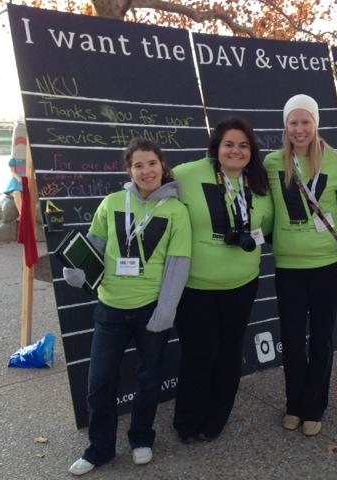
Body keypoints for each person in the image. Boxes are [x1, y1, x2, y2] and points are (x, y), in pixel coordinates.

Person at [63, 138, 191, 475]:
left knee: (148, 379)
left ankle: (141, 438)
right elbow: (94, 246)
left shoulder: (177, 211)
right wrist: (78, 272)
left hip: (151, 309)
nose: (146, 171)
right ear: (129, 170)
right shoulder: (111, 203)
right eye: (138, 165)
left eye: (151, 163)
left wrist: (166, 312)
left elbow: (178, 265)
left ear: (162, 166)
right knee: (99, 382)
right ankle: (99, 449)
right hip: (110, 309)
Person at [172, 117, 273, 442]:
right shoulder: (186, 174)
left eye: (244, 145)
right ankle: (187, 419)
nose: (236, 151)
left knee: (230, 352)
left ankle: (216, 418)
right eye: (229, 144)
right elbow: (153, 198)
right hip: (195, 288)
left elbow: (267, 226)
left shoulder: (258, 183)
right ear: (216, 147)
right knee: (197, 354)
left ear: (251, 151)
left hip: (241, 285)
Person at [264, 94, 337, 436]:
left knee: (322, 338)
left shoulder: (336, 161)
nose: (299, 129)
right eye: (293, 122)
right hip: (288, 265)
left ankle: (315, 405)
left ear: (316, 124)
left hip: (327, 263)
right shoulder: (272, 163)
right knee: (292, 337)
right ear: (285, 125)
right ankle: (294, 403)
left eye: (305, 122)